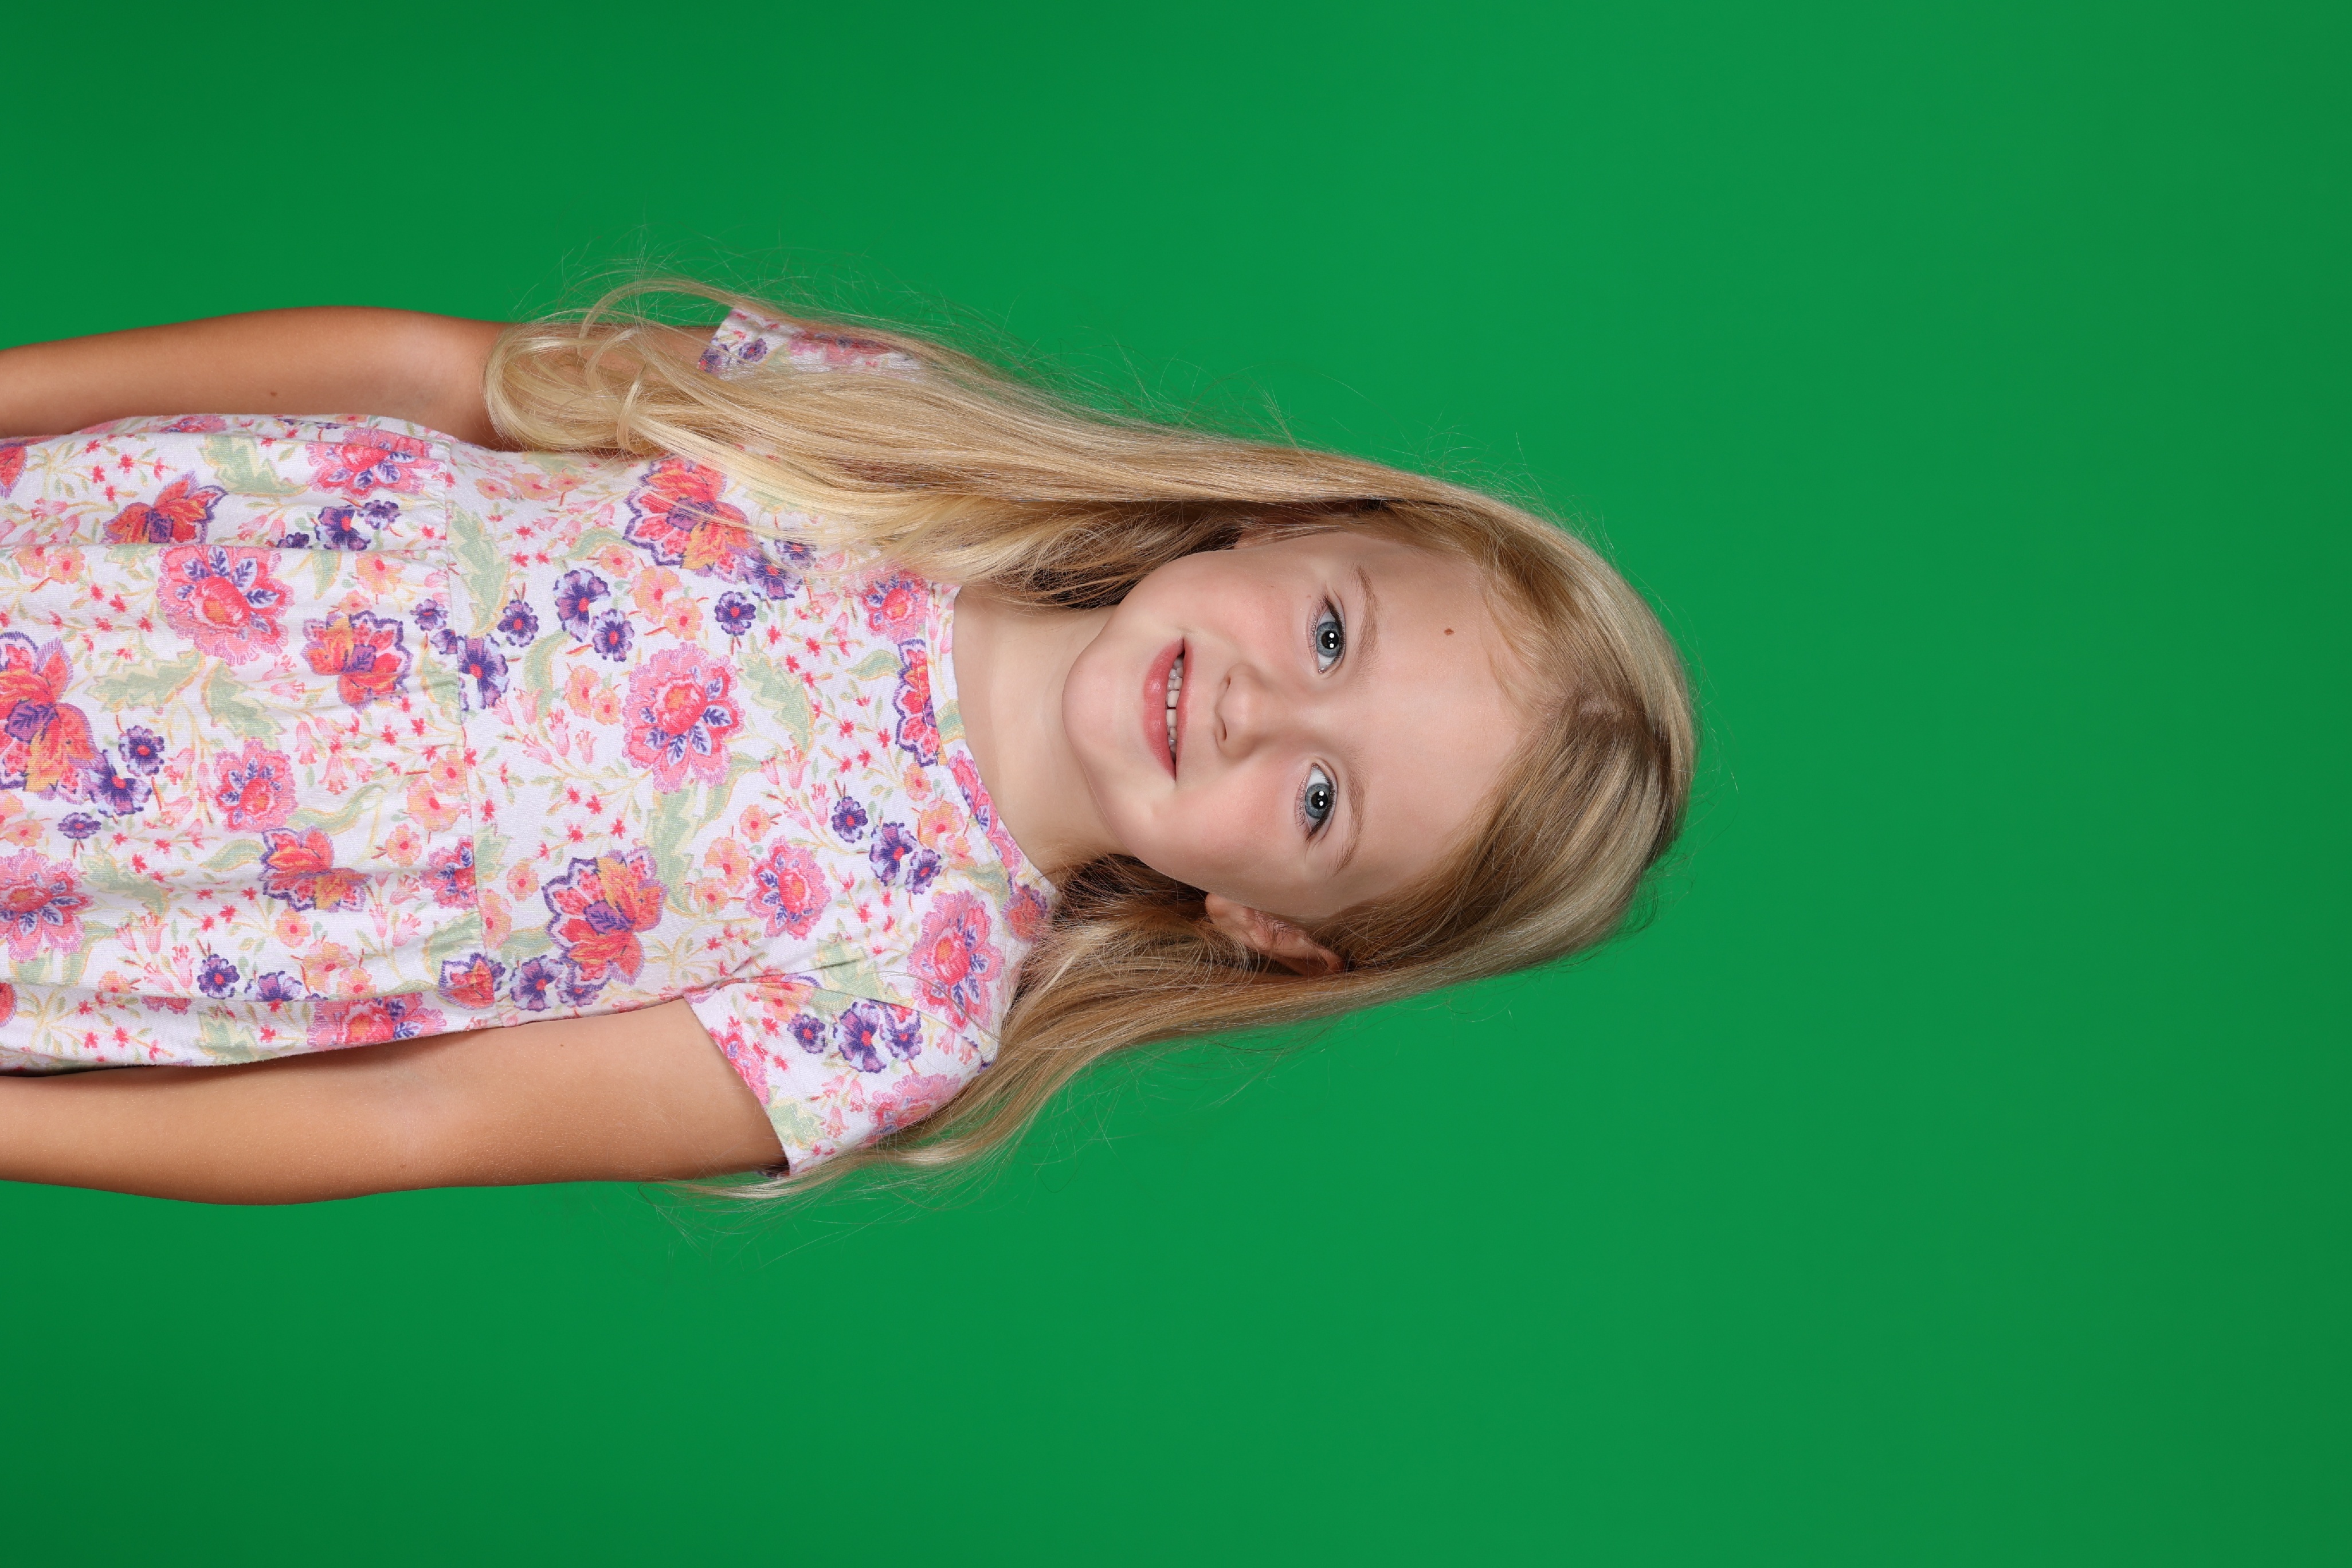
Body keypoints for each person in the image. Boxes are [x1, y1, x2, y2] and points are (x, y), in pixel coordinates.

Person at [0, 284, 1693, 1204]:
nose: (1260, 708)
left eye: (1322, 799)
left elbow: (410, 1118)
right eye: (1331, 634)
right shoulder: (893, 439)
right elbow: (434, 372)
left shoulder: (902, 1006)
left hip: (69, 903)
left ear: (1273, 928)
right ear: (1298, 525)